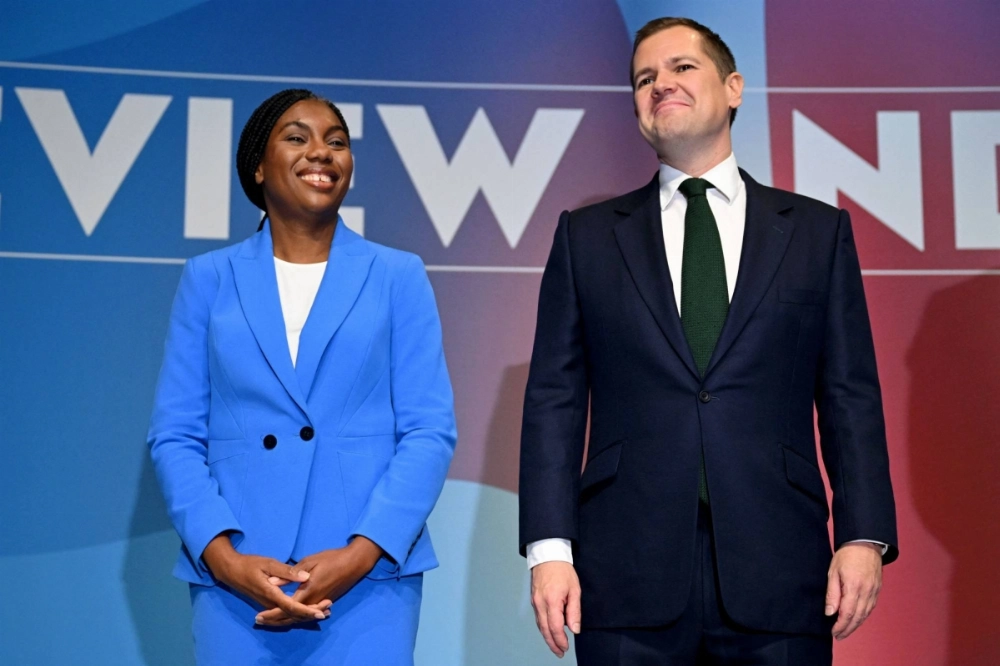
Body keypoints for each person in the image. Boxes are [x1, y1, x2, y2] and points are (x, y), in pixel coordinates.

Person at [519, 17, 897, 665]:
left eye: (680, 68)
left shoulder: (815, 232)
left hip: (780, 570)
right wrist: (550, 551)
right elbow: (553, 400)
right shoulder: (585, 237)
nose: (660, 84)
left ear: (734, 88)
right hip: (624, 574)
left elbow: (848, 397)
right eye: (643, 78)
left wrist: (863, 535)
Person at [147, 88, 456, 665]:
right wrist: (223, 558)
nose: (321, 151)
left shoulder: (397, 275)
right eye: (297, 137)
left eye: (336, 142)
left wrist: (362, 553)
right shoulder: (208, 278)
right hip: (238, 584)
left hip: (367, 585)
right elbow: (175, 435)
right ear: (257, 166)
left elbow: (428, 431)